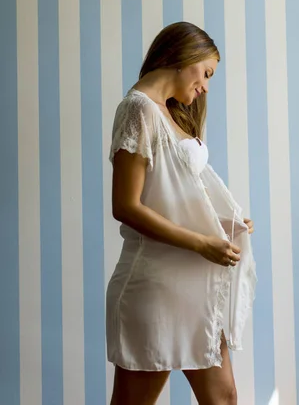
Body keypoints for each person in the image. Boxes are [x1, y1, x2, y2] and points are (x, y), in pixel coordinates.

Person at [106, 21, 257, 405]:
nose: (206, 86)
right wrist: (201, 242)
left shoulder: (169, 114)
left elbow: (172, 197)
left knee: (223, 398)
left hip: (194, 286)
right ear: (181, 56)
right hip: (155, 286)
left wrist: (224, 226)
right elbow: (126, 206)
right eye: (205, 73)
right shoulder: (137, 109)